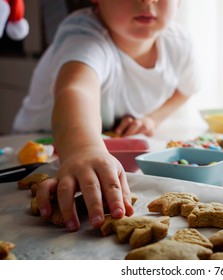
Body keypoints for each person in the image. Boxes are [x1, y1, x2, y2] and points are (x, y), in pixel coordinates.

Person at [13, 0, 200, 231]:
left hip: (103, 143)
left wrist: (153, 118)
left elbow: (186, 90)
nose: (148, 1)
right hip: (35, 149)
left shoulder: (178, 42)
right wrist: (83, 149)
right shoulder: (84, 35)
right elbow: (77, 89)